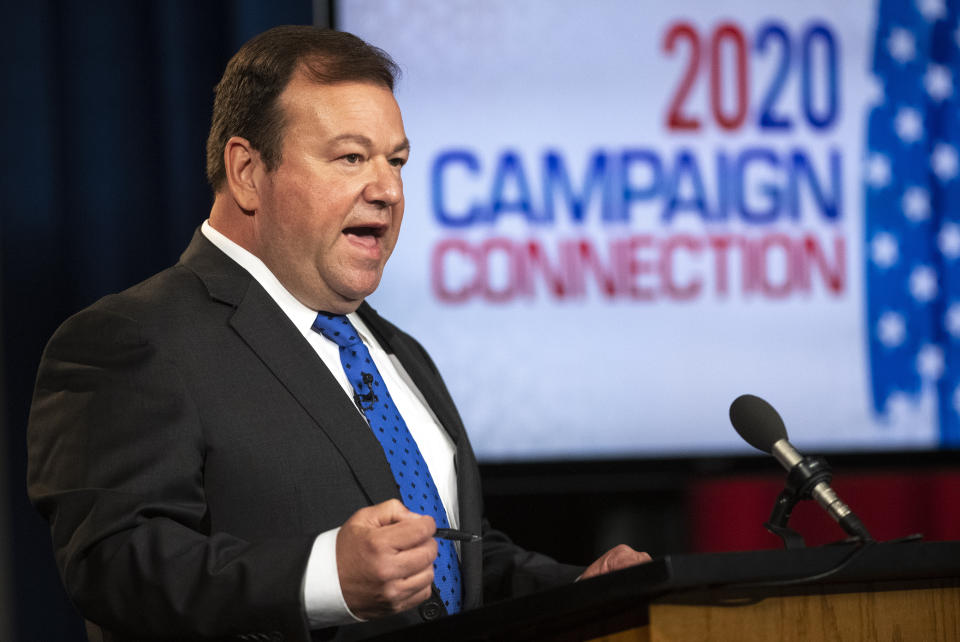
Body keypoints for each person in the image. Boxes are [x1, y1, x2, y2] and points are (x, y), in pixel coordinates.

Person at [27, 25, 649, 641]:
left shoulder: (398, 352)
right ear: (246, 172)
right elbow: (116, 567)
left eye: (396, 160)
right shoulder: (133, 339)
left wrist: (579, 591)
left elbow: (447, 562)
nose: (388, 190)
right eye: (351, 157)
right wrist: (326, 579)